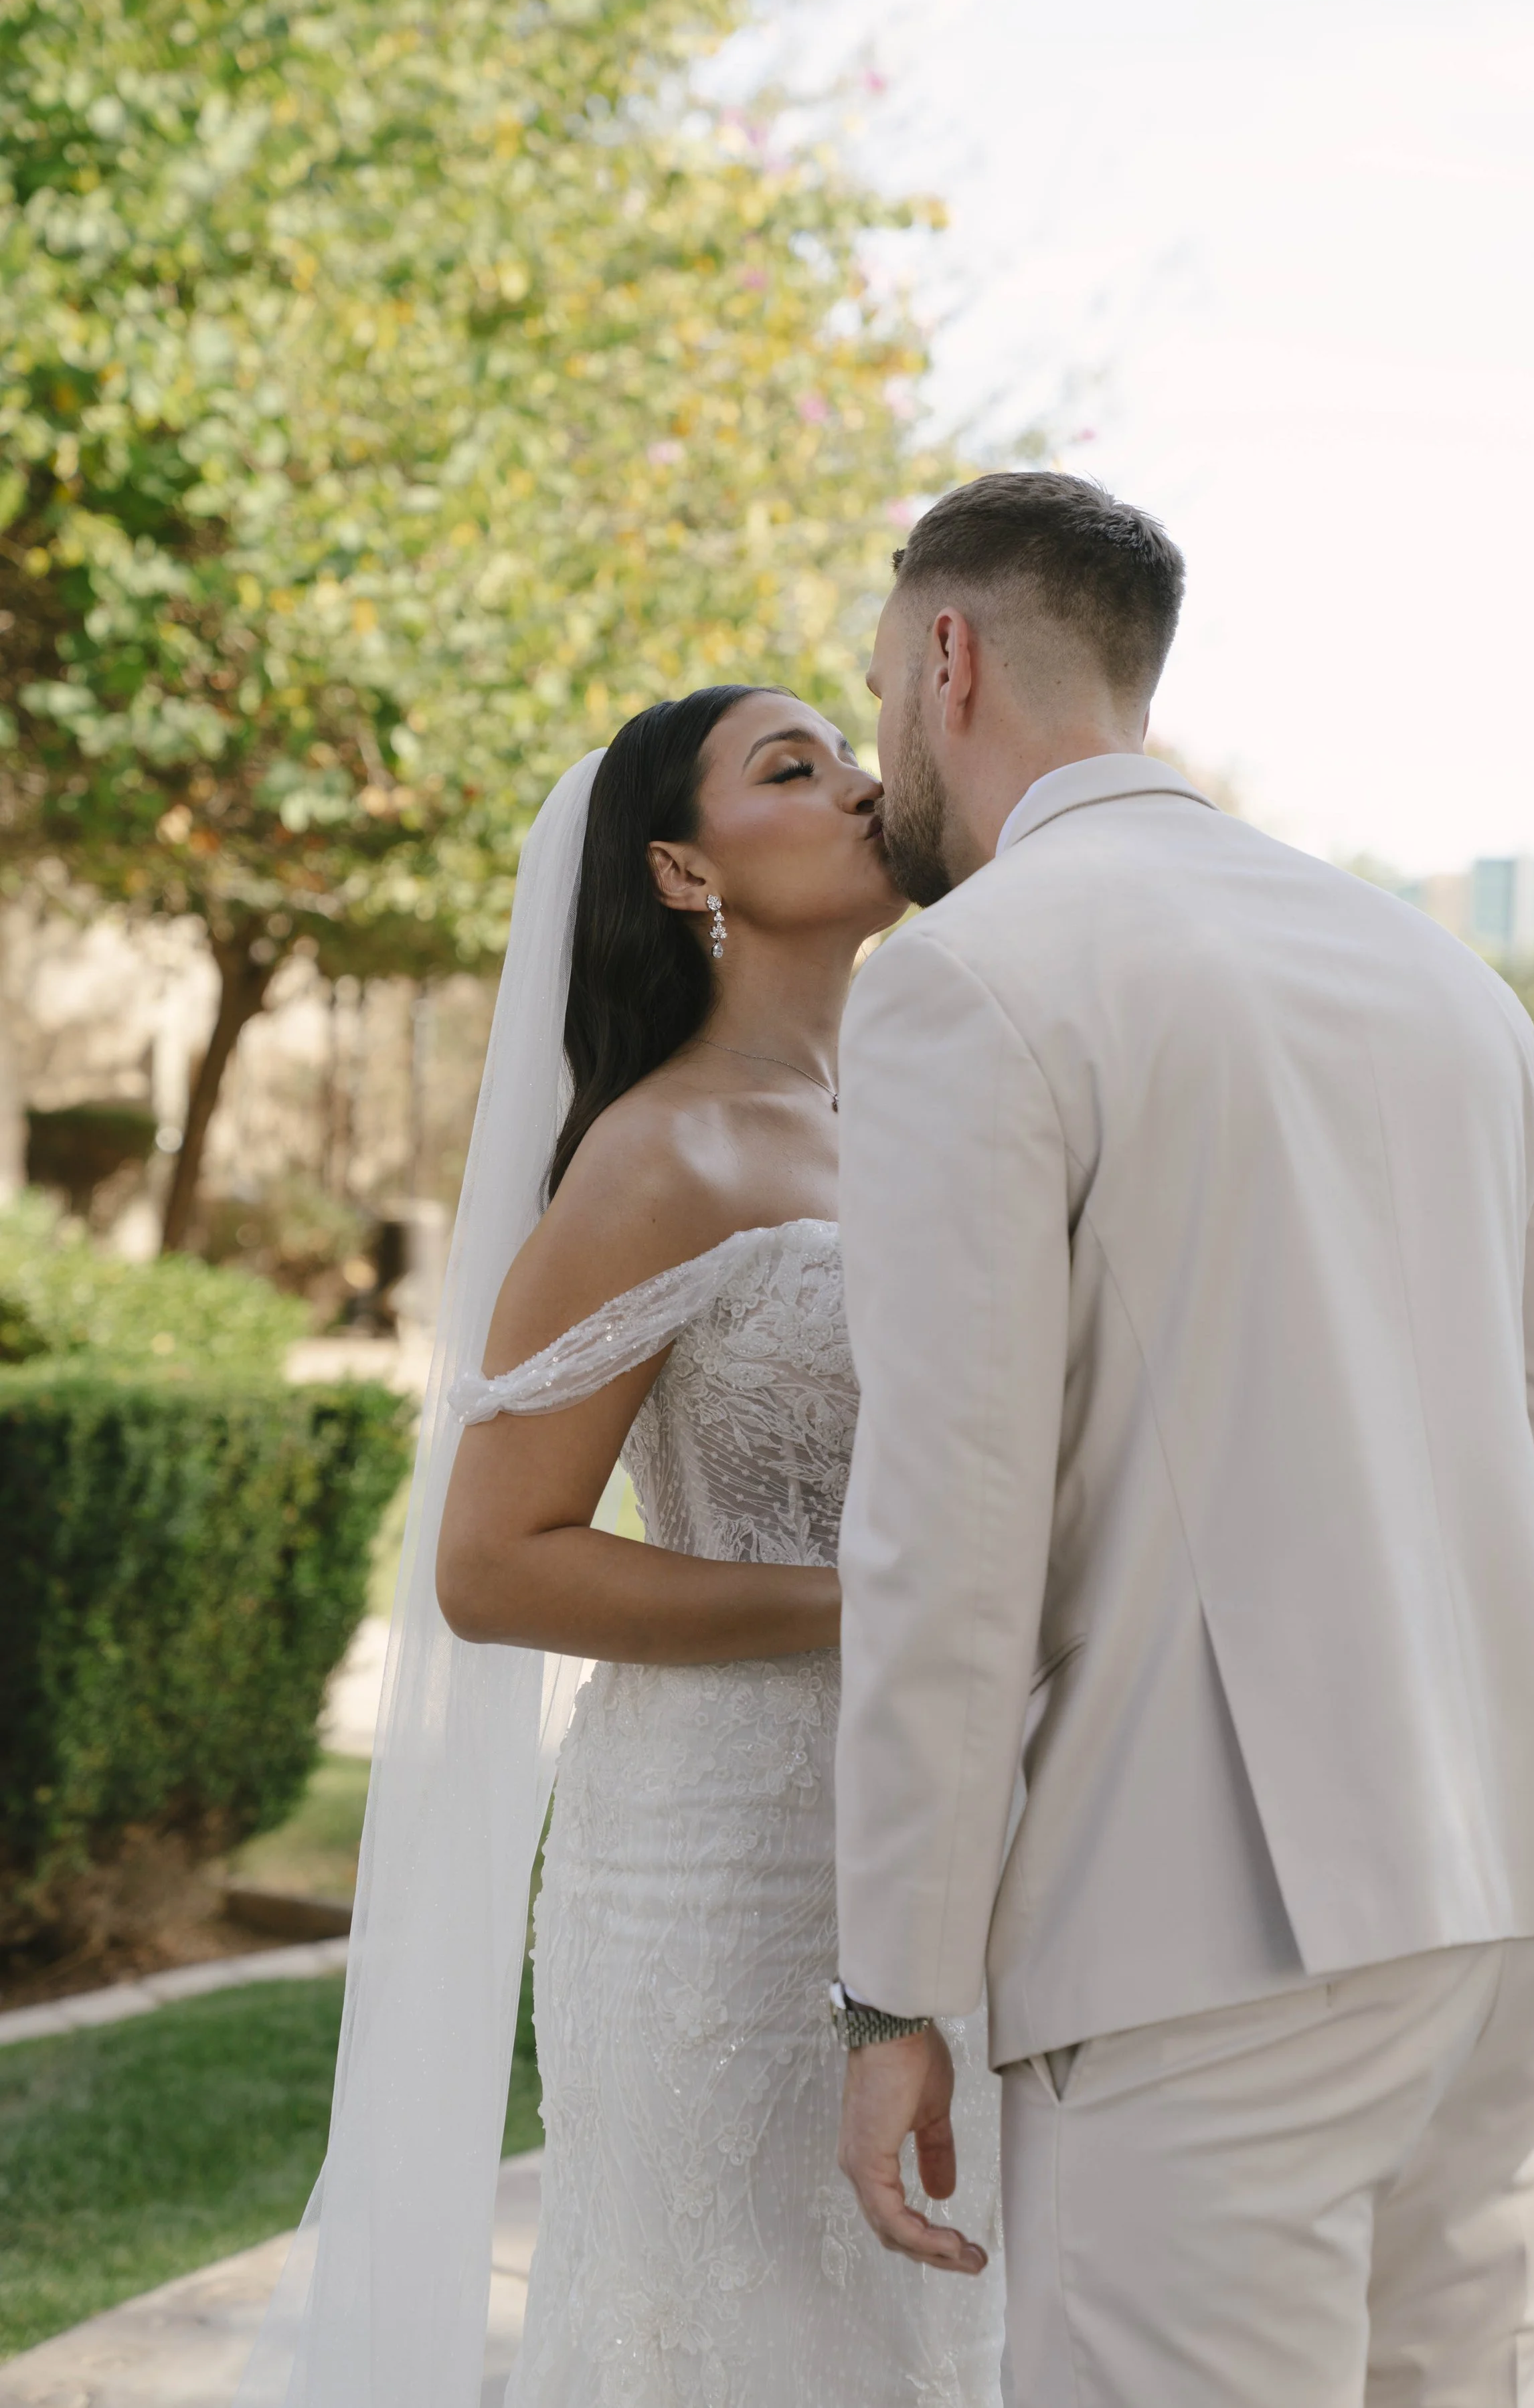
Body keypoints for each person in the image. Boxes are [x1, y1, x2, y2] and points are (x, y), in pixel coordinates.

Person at [830, 470, 1534, 2405]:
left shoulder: (967, 976)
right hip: (1520, 1869)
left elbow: (942, 1550)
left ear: (946, 656)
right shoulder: (1440, 974)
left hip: (1204, 1917)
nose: (882, 753)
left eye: (879, 688)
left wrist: (893, 1985)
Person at [430, 687, 1006, 2407]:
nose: (859, 782)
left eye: (845, 750)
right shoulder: (655, 1151)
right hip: (715, 1870)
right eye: (792, 768)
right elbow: (496, 1560)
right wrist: (887, 1608)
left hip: (932, 1828)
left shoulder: (922, 1113)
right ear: (684, 869)